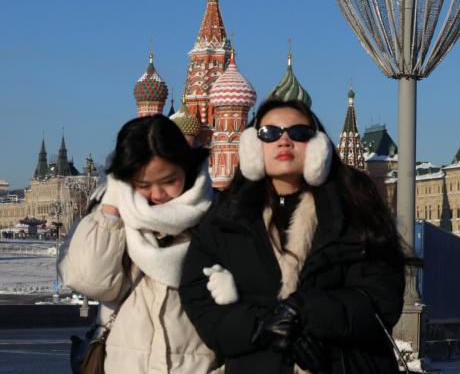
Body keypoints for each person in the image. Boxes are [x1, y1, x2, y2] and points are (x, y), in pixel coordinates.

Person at [179, 99, 408, 374]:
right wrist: (263, 327)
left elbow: (381, 299)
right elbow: (198, 298)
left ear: (318, 147)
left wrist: (305, 313)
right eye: (270, 133)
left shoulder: (354, 212)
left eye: (299, 133)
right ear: (253, 146)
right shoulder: (226, 220)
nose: (284, 140)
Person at [59, 115, 221, 373]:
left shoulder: (219, 216)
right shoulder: (112, 216)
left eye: (169, 181)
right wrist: (112, 204)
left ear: (187, 168)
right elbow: (91, 281)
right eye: (143, 185)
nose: (157, 195)